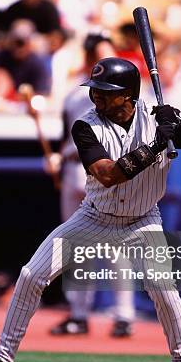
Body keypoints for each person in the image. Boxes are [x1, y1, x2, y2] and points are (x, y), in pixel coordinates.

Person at [0, 57, 181, 362]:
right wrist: (158, 144)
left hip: (143, 220)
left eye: (107, 92)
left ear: (129, 95)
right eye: (96, 91)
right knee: (32, 274)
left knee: (163, 289)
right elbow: (108, 175)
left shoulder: (159, 116)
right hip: (94, 217)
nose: (97, 98)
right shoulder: (86, 125)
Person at [50, 34, 136, 338]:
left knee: (116, 246)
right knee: (75, 246)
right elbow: (63, 136)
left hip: (108, 171)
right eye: (101, 56)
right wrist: (55, 159)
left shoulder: (128, 95)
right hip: (75, 168)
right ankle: (78, 314)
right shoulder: (76, 96)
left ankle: (124, 315)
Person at [0, 19, 51, 95]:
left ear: (29, 43)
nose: (17, 47)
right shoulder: (1, 58)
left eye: (21, 43)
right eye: (14, 42)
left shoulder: (37, 64)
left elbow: (42, 92)